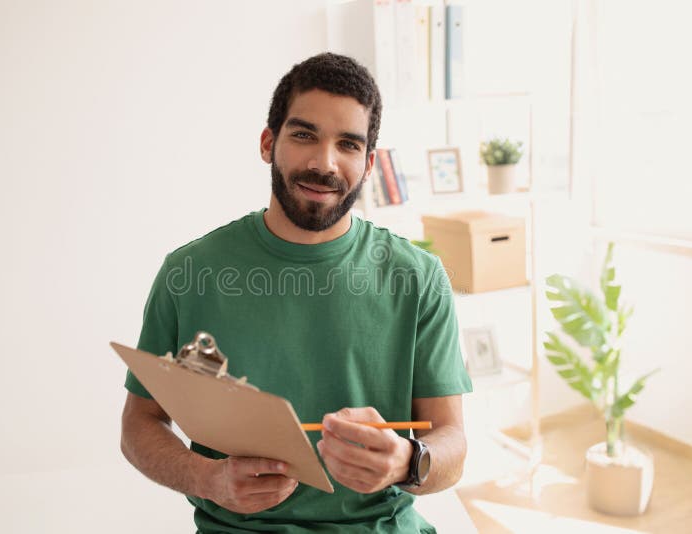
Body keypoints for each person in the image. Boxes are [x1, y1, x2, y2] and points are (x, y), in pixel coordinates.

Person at [120, 52, 473, 533]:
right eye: (304, 135)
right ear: (269, 143)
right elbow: (139, 425)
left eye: (348, 145)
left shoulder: (419, 278)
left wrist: (406, 462)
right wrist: (208, 479)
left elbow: (452, 443)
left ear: (368, 164)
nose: (323, 163)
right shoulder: (189, 273)